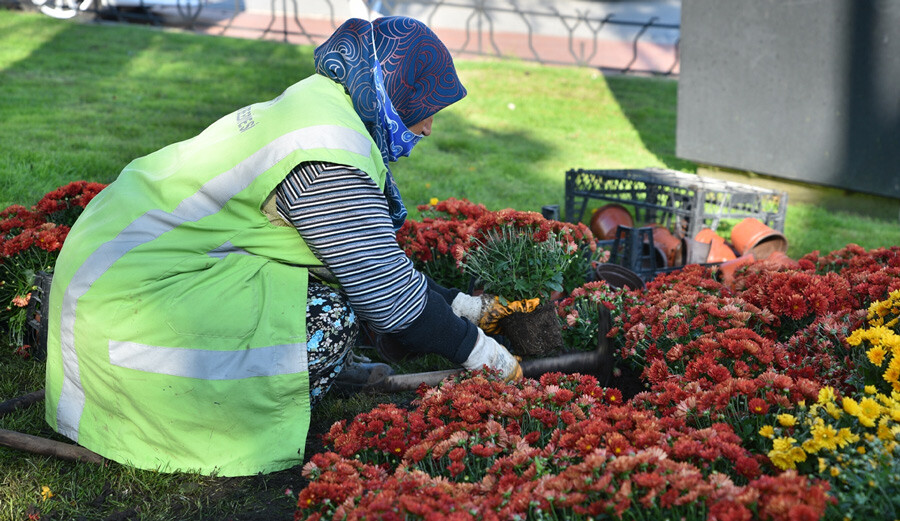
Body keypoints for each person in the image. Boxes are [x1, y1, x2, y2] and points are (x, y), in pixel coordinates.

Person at [43, 16, 520, 477]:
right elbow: (388, 298)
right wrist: (484, 355)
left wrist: (465, 307)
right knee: (332, 317)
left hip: (120, 277)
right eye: (424, 107)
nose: (428, 127)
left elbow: (375, 260)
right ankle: (230, 412)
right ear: (396, 88)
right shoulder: (326, 156)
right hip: (123, 320)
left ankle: (305, 372)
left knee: (334, 289)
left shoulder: (324, 107)